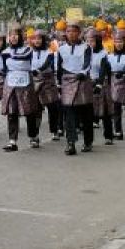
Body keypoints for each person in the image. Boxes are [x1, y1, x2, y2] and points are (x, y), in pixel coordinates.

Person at [55, 22, 93, 155]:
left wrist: (83, 73)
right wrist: (59, 84)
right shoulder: (61, 49)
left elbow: (88, 63)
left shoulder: (86, 47)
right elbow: (59, 67)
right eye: (68, 31)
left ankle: (88, 141)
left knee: (85, 112)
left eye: (74, 31)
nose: (71, 34)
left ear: (79, 33)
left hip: (82, 80)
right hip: (67, 81)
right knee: (69, 113)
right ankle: (70, 143)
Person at [0, 27, 39, 152]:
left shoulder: (27, 49)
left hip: (25, 81)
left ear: (21, 36)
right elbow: (3, 67)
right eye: (11, 35)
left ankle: (33, 136)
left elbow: (23, 57)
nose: (13, 37)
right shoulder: (5, 51)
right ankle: (12, 141)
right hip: (11, 82)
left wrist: (11, 56)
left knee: (29, 111)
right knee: (12, 112)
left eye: (16, 34)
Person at [30, 30, 61, 141]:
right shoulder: (29, 52)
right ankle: (35, 135)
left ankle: (54, 130)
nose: (37, 41)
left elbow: (48, 63)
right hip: (34, 81)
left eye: (39, 38)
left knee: (52, 106)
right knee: (35, 109)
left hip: (48, 80)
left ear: (43, 39)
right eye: (35, 38)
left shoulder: (49, 51)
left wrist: (39, 70)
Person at [88, 28, 116, 146]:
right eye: (88, 41)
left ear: (98, 41)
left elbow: (103, 70)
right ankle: (88, 139)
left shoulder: (103, 54)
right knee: (88, 112)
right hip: (88, 83)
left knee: (105, 112)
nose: (90, 43)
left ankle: (108, 136)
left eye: (92, 41)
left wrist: (99, 83)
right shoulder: (85, 53)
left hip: (101, 83)